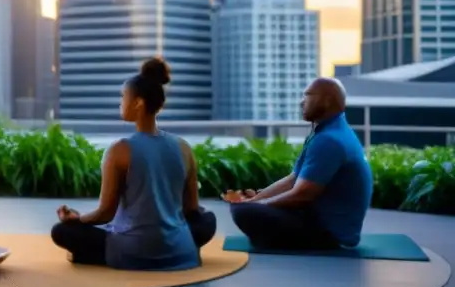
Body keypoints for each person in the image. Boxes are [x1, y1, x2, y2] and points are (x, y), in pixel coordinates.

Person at [51, 58, 218, 270]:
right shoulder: (184, 147)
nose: (120, 103)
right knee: (207, 218)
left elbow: (105, 214)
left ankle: (91, 254)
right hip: (179, 249)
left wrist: (78, 218)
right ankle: (177, 247)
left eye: (123, 97)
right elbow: (192, 208)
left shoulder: (119, 150)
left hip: (132, 251)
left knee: (62, 231)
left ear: (138, 103)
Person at [223, 77, 373, 250]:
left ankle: (275, 239)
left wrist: (257, 205)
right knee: (245, 206)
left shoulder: (329, 140)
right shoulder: (327, 132)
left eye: (308, 96)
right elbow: (293, 179)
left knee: (242, 212)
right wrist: (258, 198)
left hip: (331, 233)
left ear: (327, 100)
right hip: (318, 218)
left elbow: (302, 195)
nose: (302, 102)